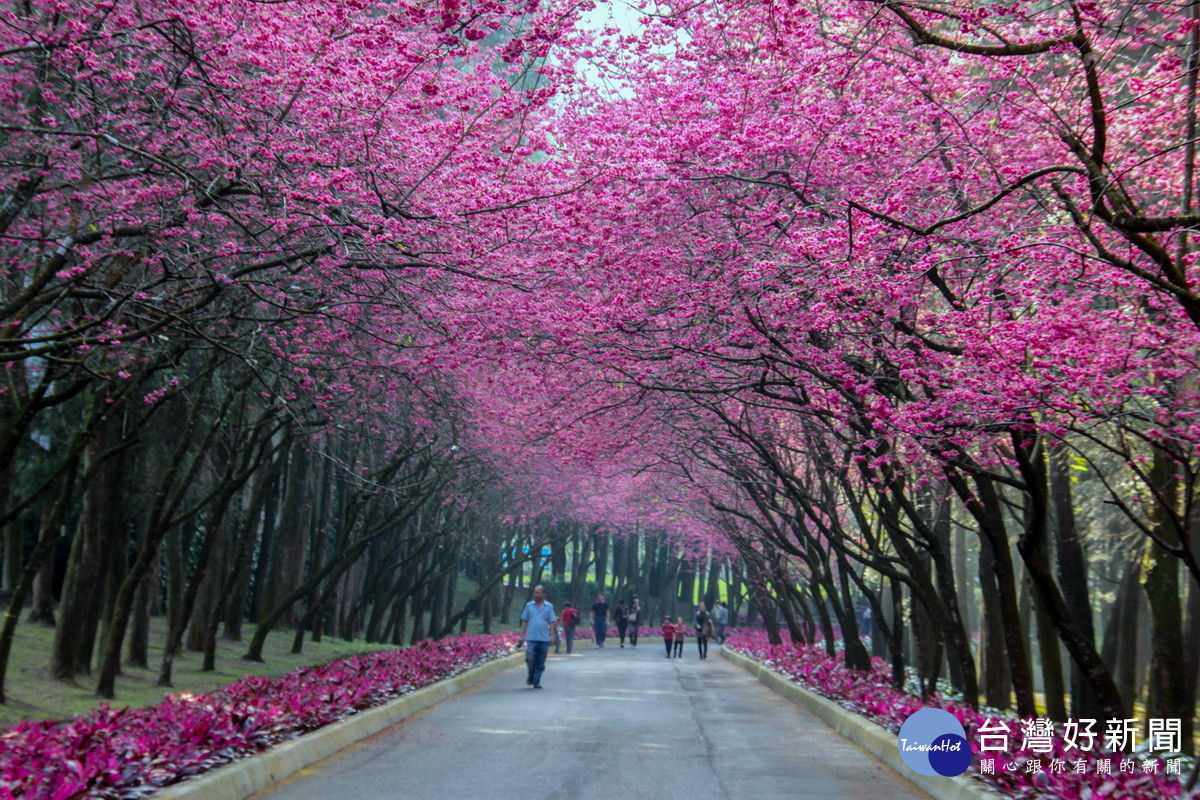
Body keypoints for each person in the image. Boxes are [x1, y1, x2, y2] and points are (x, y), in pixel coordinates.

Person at [519, 584, 556, 688]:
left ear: (543, 594)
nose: (535, 594)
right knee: (529, 658)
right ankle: (531, 675)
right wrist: (521, 635)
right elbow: (524, 620)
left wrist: (552, 636)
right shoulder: (529, 605)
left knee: (540, 661)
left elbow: (552, 622)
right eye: (535, 592)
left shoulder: (549, 606)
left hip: (544, 639)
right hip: (531, 638)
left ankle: (536, 681)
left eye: (538, 592)